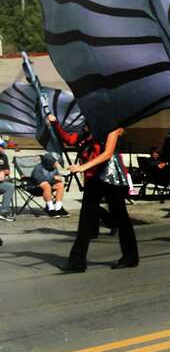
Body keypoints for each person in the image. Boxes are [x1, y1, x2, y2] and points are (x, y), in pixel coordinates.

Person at [51, 116, 138, 272]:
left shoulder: (111, 126)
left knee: (121, 217)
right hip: (93, 178)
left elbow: (107, 153)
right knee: (85, 219)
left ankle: (130, 257)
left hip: (111, 178)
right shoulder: (87, 131)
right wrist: (54, 123)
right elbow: (69, 140)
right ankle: (76, 263)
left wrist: (82, 168)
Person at [29, 152, 68, 218]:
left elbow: (55, 177)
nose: (57, 164)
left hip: (48, 186)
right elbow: (38, 179)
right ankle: (50, 208)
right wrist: (53, 178)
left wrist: (58, 178)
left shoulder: (53, 168)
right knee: (46, 185)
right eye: (55, 162)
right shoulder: (39, 168)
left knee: (60, 185)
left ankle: (58, 208)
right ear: (49, 162)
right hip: (35, 187)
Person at [0, 139, 15, 220]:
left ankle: (3, 211)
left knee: (9, 186)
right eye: (2, 147)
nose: (4, 149)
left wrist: (3, 172)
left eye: (4, 147)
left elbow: (7, 170)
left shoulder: (4, 156)